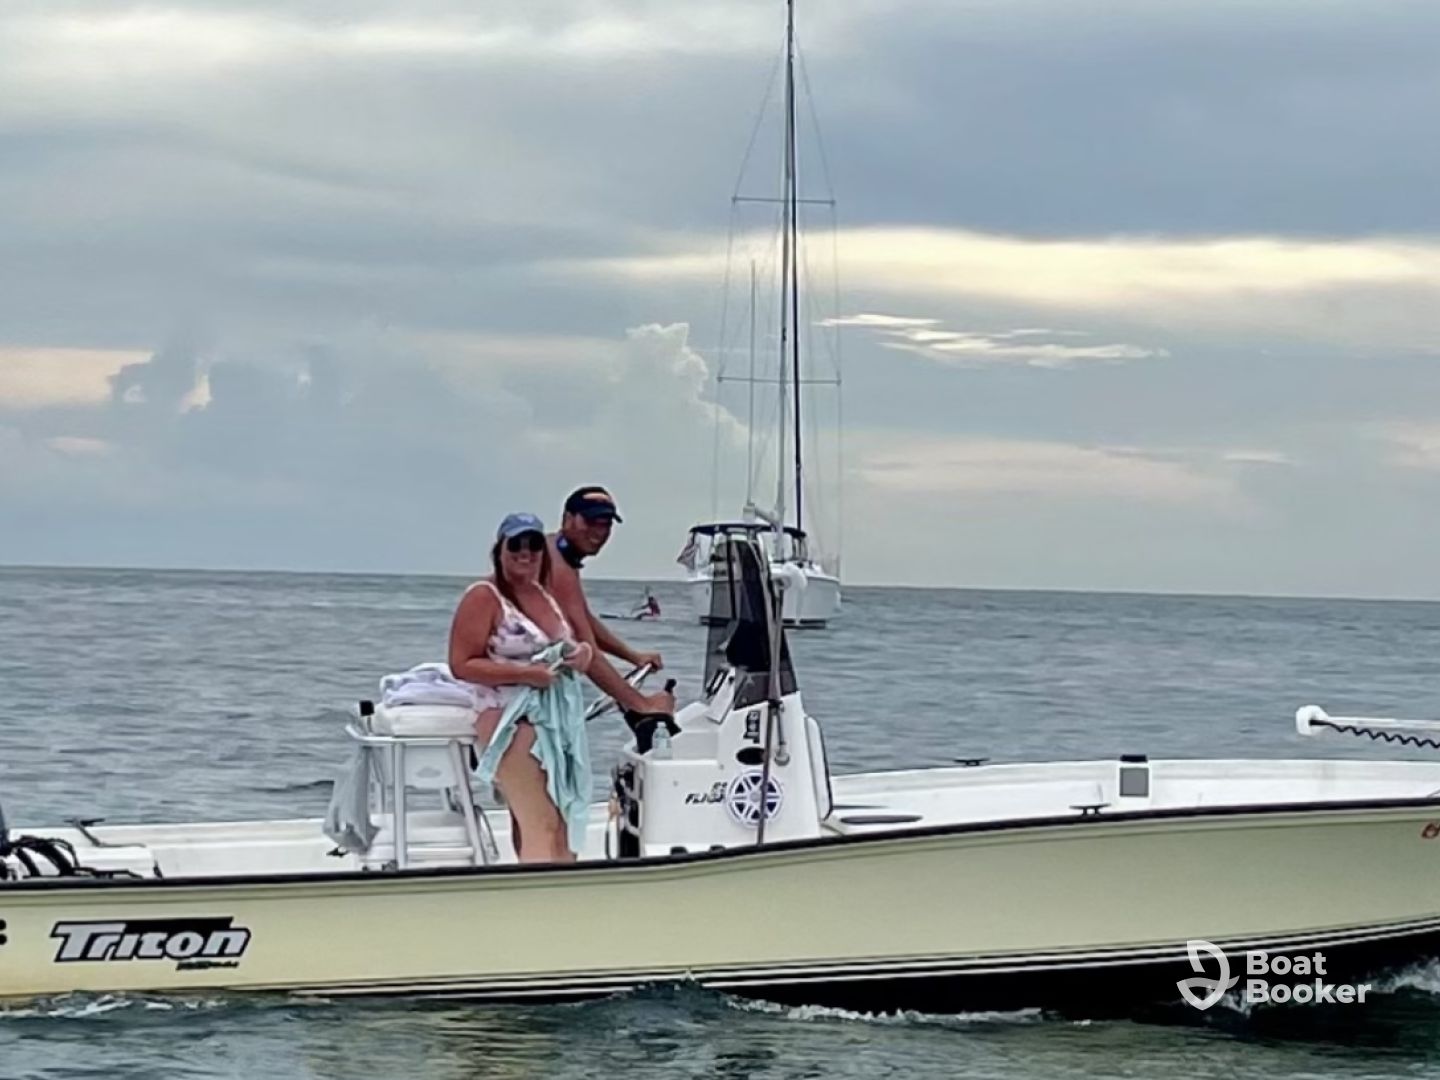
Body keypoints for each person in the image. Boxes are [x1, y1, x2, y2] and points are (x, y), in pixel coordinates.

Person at [447, 512, 594, 863]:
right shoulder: (484, 596)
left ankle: (559, 889)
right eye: (516, 544)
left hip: (552, 723)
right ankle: (542, 893)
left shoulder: (544, 594)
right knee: (541, 824)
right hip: (507, 721)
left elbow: (570, 645)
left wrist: (582, 654)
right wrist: (526, 674)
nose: (525, 552)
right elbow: (461, 664)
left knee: (561, 822)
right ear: (499, 550)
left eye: (534, 544)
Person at [547, 486, 674, 719]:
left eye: (605, 524)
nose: (599, 532)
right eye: (591, 522)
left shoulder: (561, 554)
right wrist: (642, 704)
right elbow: (583, 647)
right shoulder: (556, 566)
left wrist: (632, 656)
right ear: (567, 519)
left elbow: (583, 619)